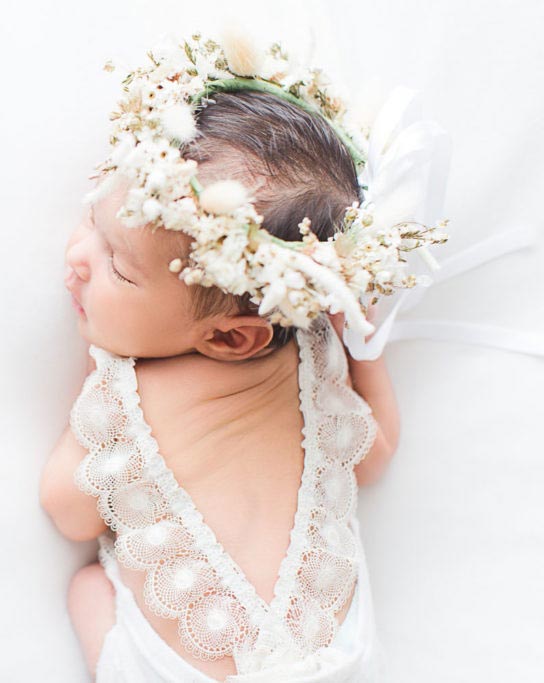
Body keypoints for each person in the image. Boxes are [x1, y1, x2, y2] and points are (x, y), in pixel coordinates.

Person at [38, 31, 449, 682]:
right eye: (94, 216)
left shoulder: (127, 393)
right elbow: (377, 453)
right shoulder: (315, 362)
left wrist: (96, 378)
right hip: (338, 662)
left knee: (88, 587)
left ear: (230, 336)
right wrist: (362, 343)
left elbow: (67, 511)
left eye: (117, 265)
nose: (77, 255)